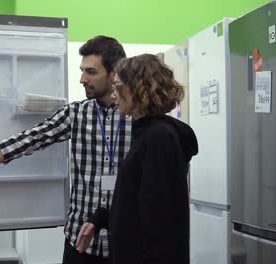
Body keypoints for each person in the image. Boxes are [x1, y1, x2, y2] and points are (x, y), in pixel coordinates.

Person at [0, 35, 131, 264]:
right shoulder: (76, 114)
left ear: (114, 73)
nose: (82, 79)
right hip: (79, 243)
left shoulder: (137, 117)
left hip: (126, 243)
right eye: (82, 71)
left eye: (91, 72)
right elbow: (25, 141)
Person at [75, 54, 198, 264]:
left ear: (138, 88)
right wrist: (102, 218)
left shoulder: (159, 138)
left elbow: (161, 223)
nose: (114, 96)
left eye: (117, 87)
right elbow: (138, 202)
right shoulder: (147, 133)